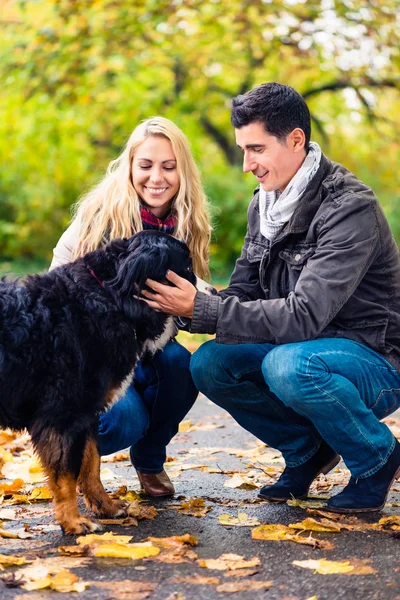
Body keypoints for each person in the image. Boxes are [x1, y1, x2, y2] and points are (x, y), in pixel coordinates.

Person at [141, 83, 400, 513]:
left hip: (372, 358)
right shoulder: (266, 203)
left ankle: (377, 456)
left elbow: (303, 317)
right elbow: (244, 291)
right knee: (210, 363)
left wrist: (202, 307)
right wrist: (186, 303)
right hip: (306, 349)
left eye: (256, 149)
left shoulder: (348, 207)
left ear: (295, 139)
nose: (247, 165)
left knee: (289, 365)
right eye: (244, 150)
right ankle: (308, 451)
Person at [50, 116, 211, 497]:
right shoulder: (98, 215)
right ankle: (86, 474)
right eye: (146, 165)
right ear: (130, 167)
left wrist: (200, 305)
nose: (157, 177)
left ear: (182, 172)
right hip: (95, 355)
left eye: (169, 167)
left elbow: (194, 292)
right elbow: (55, 288)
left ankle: (150, 460)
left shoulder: (188, 222)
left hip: (147, 349)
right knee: (124, 420)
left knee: (181, 366)